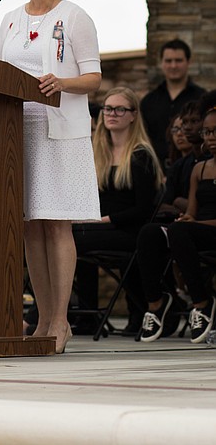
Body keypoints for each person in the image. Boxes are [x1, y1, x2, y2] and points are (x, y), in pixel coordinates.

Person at [0, 0, 102, 354]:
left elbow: (93, 78)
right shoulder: (8, 20)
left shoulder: (74, 16)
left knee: (56, 222)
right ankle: (41, 318)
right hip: (14, 131)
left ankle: (61, 321)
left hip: (59, 129)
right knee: (30, 224)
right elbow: (0, 73)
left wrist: (61, 82)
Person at [71, 87, 162, 336]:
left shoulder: (141, 155)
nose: (112, 114)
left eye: (120, 109)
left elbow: (144, 209)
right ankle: (86, 315)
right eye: (108, 109)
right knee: (69, 238)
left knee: (75, 242)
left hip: (129, 230)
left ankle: (48, 316)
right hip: (100, 226)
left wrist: (108, 219)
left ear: (133, 115)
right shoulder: (96, 152)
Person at [137, 92, 216, 343]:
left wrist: (191, 225)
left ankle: (202, 303)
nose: (211, 137)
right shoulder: (199, 168)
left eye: (215, 131)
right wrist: (187, 219)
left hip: (207, 230)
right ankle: (157, 304)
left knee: (181, 231)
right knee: (150, 232)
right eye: (207, 132)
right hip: (196, 231)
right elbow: (191, 212)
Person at [140, 39, 206, 169]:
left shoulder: (202, 98)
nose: (173, 66)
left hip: (194, 169)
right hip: (155, 171)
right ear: (161, 63)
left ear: (188, 62)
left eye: (178, 60)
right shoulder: (149, 101)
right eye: (168, 61)